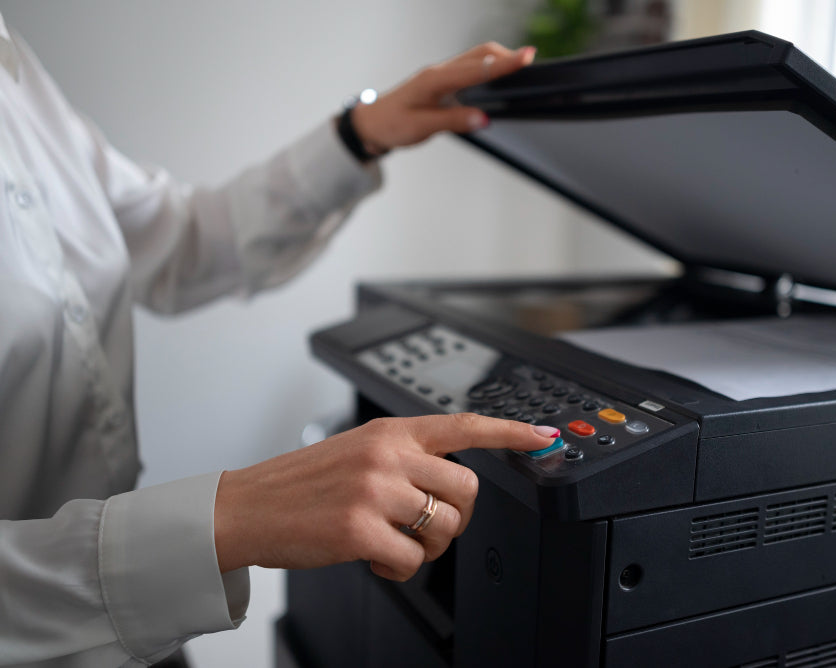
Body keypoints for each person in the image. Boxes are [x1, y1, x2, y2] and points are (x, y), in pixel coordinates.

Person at [0, 13, 558, 667]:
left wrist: (358, 134)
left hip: (139, 637)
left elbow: (177, 238)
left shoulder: (13, 63)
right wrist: (225, 520)